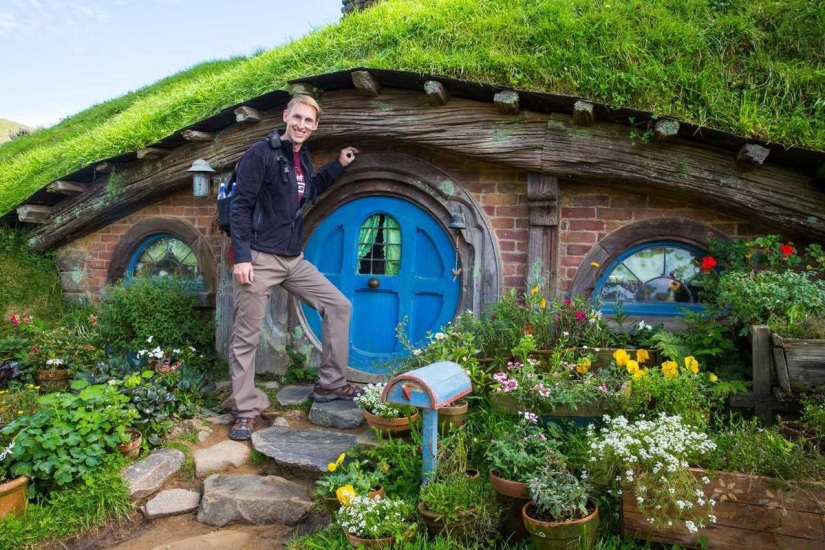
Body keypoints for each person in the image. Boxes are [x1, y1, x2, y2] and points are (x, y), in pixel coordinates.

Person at [227, 94, 360, 441]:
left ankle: (330, 383)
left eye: (308, 121)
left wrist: (338, 165)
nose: (302, 125)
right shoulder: (261, 153)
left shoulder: (301, 157)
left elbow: (309, 190)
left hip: (292, 259)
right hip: (259, 258)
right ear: (286, 115)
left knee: (338, 305)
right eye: (297, 117)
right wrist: (241, 257)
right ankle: (245, 410)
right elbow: (240, 206)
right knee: (246, 336)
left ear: (315, 126)